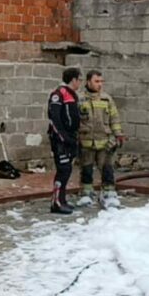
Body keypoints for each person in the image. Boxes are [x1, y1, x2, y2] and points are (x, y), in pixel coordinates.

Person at [77, 70, 125, 209]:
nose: (100, 84)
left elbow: (114, 118)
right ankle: (86, 193)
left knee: (107, 168)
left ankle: (109, 193)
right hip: (86, 141)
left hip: (105, 141)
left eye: (101, 81)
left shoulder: (106, 99)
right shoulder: (80, 99)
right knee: (86, 168)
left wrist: (118, 134)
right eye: (96, 81)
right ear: (88, 82)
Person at [47, 67, 82, 215]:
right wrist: (63, 138)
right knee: (63, 170)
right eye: (79, 79)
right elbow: (54, 118)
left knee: (67, 170)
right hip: (60, 139)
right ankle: (56, 202)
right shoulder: (58, 94)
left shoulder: (72, 95)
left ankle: (62, 199)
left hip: (71, 137)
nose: (80, 83)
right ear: (73, 79)